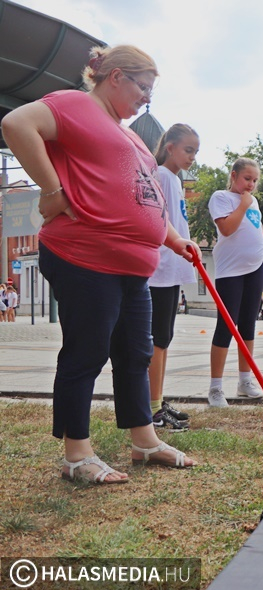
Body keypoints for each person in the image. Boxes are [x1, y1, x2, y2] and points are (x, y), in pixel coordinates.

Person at [0, 44, 196, 484]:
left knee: (136, 353)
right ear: (115, 77)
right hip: (84, 255)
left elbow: (146, 201)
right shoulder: (73, 105)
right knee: (86, 352)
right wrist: (51, 191)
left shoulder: (131, 137)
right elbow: (15, 123)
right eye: (143, 87)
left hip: (134, 266)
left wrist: (177, 240)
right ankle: (76, 454)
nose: (146, 98)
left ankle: (144, 441)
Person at [147, 124, 199, 432]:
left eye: (195, 152)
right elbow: (160, 221)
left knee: (163, 340)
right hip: (160, 270)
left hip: (172, 269)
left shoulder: (175, 179)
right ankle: (152, 408)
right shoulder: (163, 176)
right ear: (170, 148)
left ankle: (157, 401)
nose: (192, 157)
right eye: (188, 150)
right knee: (157, 341)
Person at [207, 157, 263, 407]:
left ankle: (245, 381)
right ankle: (215, 388)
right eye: (246, 178)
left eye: (254, 180)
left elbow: (256, 228)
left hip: (255, 267)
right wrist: (242, 204)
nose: (251, 184)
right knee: (226, 325)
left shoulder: (253, 201)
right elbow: (228, 230)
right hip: (230, 271)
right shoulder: (221, 197)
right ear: (234, 176)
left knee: (248, 325)